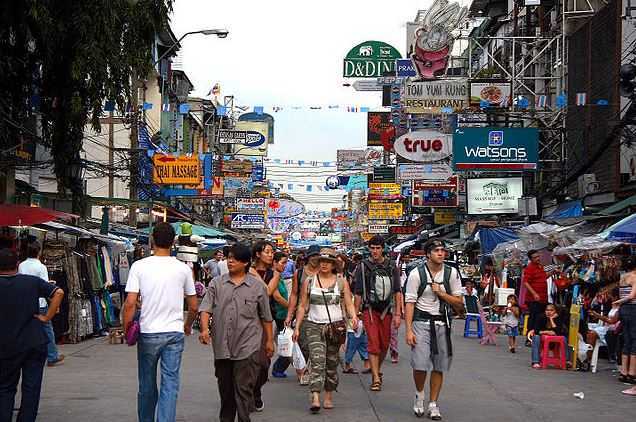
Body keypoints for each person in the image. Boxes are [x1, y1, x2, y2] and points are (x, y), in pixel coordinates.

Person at [123, 222, 198, 422]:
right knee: (170, 383)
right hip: (174, 333)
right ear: (173, 242)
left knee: (146, 384)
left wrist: (126, 329)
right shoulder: (183, 269)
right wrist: (188, 325)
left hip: (148, 332)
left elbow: (130, 303)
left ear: (152, 241)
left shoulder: (139, 266)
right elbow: (193, 305)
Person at [198, 243, 274, 422]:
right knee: (225, 390)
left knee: (243, 389)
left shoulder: (257, 287)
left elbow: (266, 317)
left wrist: (269, 341)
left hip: (248, 346)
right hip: (222, 346)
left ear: (246, 262)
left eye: (235, 258)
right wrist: (204, 330)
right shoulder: (217, 283)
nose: (230, 261)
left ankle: (243, 418)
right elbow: (206, 309)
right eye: (229, 257)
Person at [0, 248, 64, 422]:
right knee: (31, 387)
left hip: (5, 344)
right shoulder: (31, 282)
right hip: (33, 341)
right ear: (17, 264)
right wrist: (47, 316)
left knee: (5, 387)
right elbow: (58, 292)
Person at [293, 248, 358, 413]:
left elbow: (349, 303)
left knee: (331, 362)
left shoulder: (341, 281)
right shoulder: (309, 281)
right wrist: (298, 327)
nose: (324, 264)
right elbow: (302, 305)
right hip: (313, 325)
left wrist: (353, 318)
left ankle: (328, 394)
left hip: (335, 327)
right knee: (317, 360)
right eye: (322, 261)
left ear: (333, 265)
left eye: (328, 262)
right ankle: (315, 395)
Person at [404, 239, 463, 420]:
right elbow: (410, 303)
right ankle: (419, 394)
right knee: (420, 363)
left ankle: (433, 404)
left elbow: (459, 302)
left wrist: (441, 293)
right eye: (437, 250)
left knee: (439, 366)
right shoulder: (416, 274)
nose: (441, 253)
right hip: (421, 322)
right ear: (428, 254)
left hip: (442, 324)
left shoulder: (451, 273)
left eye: (443, 250)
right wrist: (408, 330)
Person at [353, 236, 402, 392]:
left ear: (383, 249)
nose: (375, 251)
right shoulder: (362, 267)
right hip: (369, 310)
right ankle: (375, 377)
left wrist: (398, 314)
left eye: (378, 248)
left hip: (387, 310)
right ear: (369, 249)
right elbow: (358, 292)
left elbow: (397, 291)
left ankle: (377, 369)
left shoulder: (392, 266)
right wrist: (354, 314)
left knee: (385, 344)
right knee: (373, 343)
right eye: (372, 248)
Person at [18, 241, 65, 367]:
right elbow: (45, 288)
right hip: (40, 303)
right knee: (47, 329)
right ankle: (52, 356)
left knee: (26, 328)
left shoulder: (21, 265)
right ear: (39, 252)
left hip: (25, 302)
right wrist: (55, 305)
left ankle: (25, 355)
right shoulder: (41, 267)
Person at [285, 244, 321, 385]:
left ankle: (316, 371)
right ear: (308, 258)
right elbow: (294, 295)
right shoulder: (299, 273)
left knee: (319, 346)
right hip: (304, 314)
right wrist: (289, 315)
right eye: (312, 256)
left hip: (322, 313)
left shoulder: (325, 272)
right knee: (304, 345)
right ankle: (304, 371)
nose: (315, 259)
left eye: (317, 256)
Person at [250, 241, 278, 411]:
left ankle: (256, 390)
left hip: (266, 322)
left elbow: (266, 292)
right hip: (248, 320)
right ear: (258, 254)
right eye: (267, 251)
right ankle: (245, 393)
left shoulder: (274, 274)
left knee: (263, 363)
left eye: (272, 252)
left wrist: (254, 274)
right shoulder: (246, 272)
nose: (270, 254)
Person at [337, 253, 370, 374]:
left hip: (355, 310)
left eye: (341, 262)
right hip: (341, 311)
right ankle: (347, 363)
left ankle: (366, 363)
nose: (339, 264)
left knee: (360, 339)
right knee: (350, 340)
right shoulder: (334, 277)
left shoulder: (351, 275)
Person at [527, 304, 570, 369]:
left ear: (555, 311)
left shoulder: (558, 318)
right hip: (541, 337)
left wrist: (551, 319)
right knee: (536, 337)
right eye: (547, 310)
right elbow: (536, 331)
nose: (549, 312)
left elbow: (558, 332)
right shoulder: (540, 317)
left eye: (551, 310)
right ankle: (535, 362)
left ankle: (566, 361)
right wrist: (547, 332)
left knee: (564, 338)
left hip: (554, 338)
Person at [615, 262, 636, 395]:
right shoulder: (635, 277)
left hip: (624, 310)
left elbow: (623, 293)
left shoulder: (623, 277)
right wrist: (619, 301)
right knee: (635, 340)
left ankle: (623, 371)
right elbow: (632, 295)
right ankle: (632, 372)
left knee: (627, 339)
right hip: (633, 309)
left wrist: (620, 303)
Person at [271, 252, 292, 378]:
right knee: (287, 343)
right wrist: (291, 308)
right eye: (283, 262)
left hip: (283, 313)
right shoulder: (274, 276)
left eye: (286, 262)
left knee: (284, 341)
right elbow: (277, 297)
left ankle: (278, 368)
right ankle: (278, 368)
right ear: (274, 263)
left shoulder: (280, 276)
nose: (285, 265)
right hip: (280, 314)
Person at [523, 250, 550, 346]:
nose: (538, 258)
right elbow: (526, 282)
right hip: (533, 299)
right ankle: (529, 339)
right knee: (533, 318)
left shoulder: (540, 266)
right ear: (531, 259)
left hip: (543, 298)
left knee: (541, 318)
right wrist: (534, 293)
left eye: (538, 256)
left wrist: (552, 272)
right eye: (535, 257)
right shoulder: (529, 268)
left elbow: (543, 278)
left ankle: (538, 338)